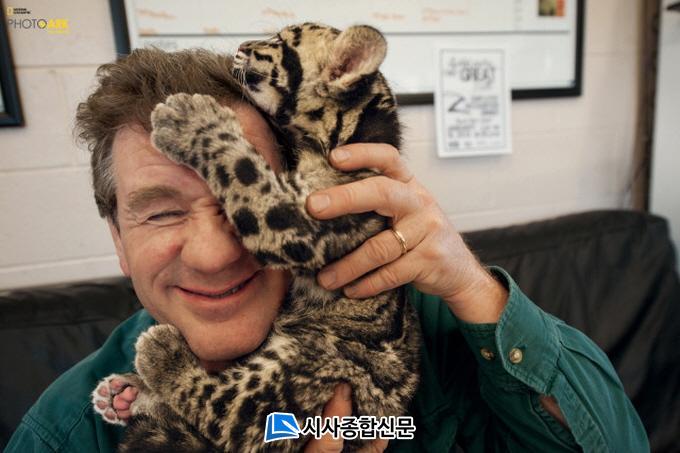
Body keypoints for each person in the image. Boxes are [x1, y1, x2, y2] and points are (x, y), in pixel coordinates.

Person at [6, 48, 648, 453]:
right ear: (119, 242)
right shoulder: (66, 431)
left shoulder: (414, 324)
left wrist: (472, 285)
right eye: (163, 212)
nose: (212, 255)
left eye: (239, 195)